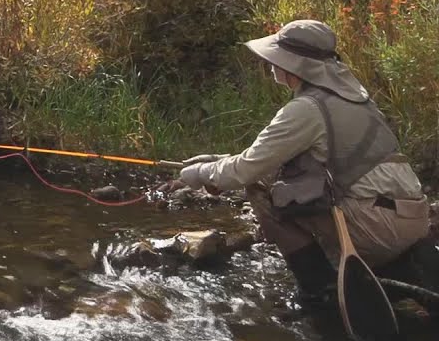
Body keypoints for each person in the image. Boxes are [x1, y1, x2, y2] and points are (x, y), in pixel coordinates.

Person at [161, 19, 439, 307]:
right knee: (275, 178)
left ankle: (316, 287)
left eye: (276, 59)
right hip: (413, 221)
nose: (271, 64)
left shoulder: (305, 109)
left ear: (295, 66)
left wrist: (194, 174)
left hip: (376, 231)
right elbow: (279, 160)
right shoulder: (359, 99)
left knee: (258, 188)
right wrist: (216, 161)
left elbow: (245, 172)